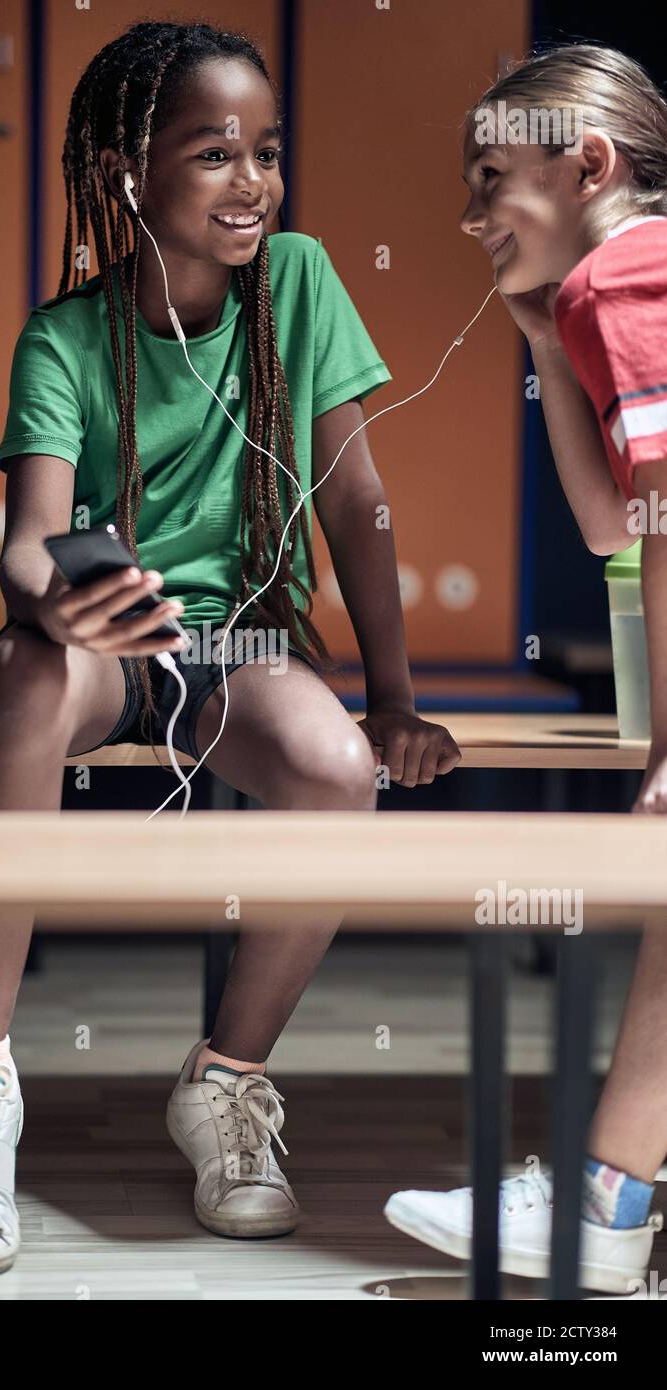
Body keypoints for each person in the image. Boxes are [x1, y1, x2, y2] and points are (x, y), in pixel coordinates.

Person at [0, 18, 460, 1277]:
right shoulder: (61, 340)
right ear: (123, 175)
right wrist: (60, 604)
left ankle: (225, 1080)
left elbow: (355, 504)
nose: (254, 181)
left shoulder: (302, 282)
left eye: (265, 151)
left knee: (332, 768)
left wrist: (393, 700)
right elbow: (28, 543)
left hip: (248, 645)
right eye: (214, 152)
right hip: (113, 650)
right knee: (22, 668)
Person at [385, 42, 667, 1295]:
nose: (466, 213)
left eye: (492, 175)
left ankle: (602, 1208)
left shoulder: (628, 275)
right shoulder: (603, 294)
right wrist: (544, 344)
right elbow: (617, 526)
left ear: (589, 165)